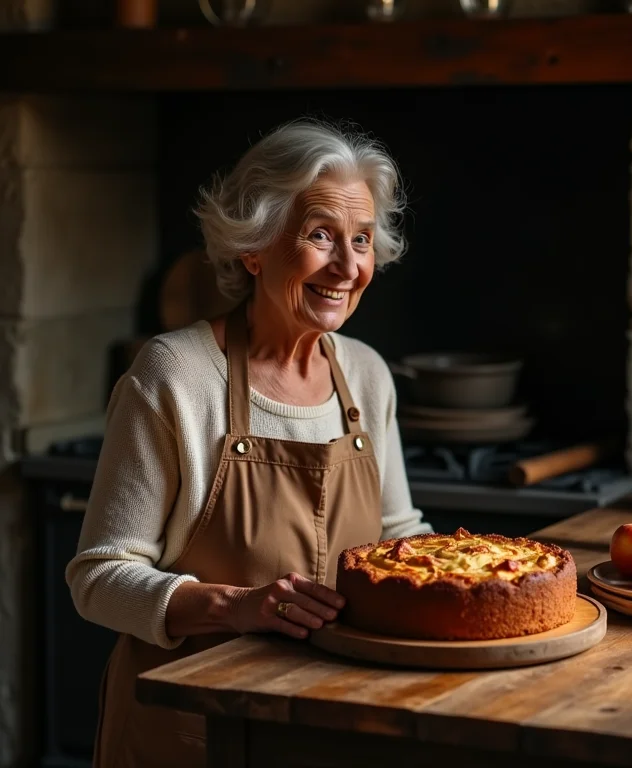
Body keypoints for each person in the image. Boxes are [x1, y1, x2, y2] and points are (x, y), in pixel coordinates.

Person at [65, 119, 432, 768]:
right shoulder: (174, 374)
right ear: (255, 248)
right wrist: (236, 607)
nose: (348, 267)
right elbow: (97, 577)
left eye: (363, 240)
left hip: (334, 717)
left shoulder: (368, 375)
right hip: (191, 730)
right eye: (321, 236)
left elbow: (397, 535)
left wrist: (487, 576)